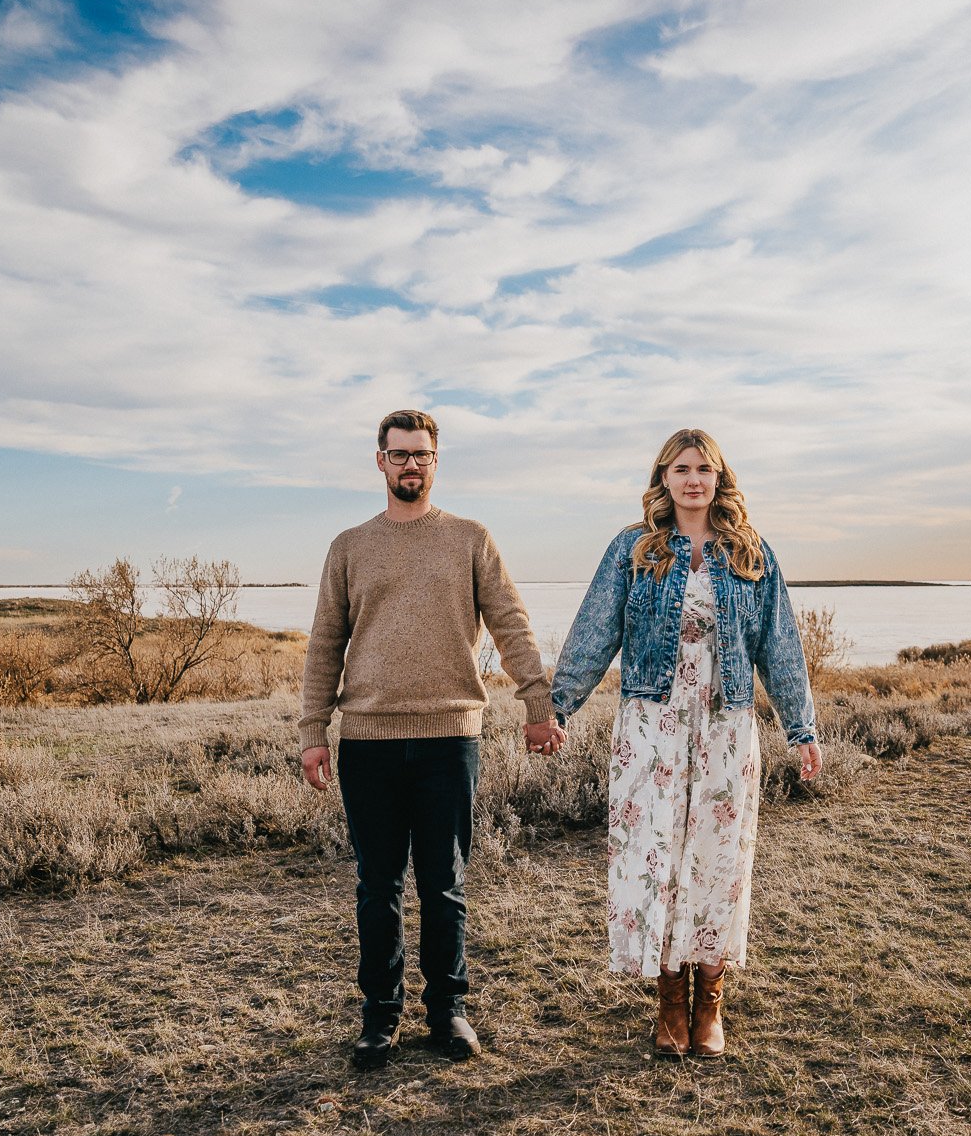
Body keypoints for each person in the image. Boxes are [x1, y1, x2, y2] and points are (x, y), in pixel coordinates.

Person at [299, 409, 567, 1069]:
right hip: (368, 741)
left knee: (444, 884)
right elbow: (325, 644)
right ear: (380, 461)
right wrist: (313, 730)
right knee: (377, 885)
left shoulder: (470, 538)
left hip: (450, 739)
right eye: (399, 454)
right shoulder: (349, 547)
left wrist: (538, 701)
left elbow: (510, 622)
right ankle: (380, 1019)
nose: (410, 464)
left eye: (420, 454)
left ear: (435, 461)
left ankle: (448, 1012)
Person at [551, 427, 820, 1058]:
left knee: (717, 858)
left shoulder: (752, 553)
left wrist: (801, 728)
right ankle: (671, 1003)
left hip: (727, 726)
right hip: (652, 730)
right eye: (681, 469)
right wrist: (556, 705)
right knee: (656, 858)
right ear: (663, 478)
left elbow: (779, 647)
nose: (693, 479)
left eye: (704, 468)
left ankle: (711, 1002)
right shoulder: (634, 548)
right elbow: (594, 629)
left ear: (720, 478)